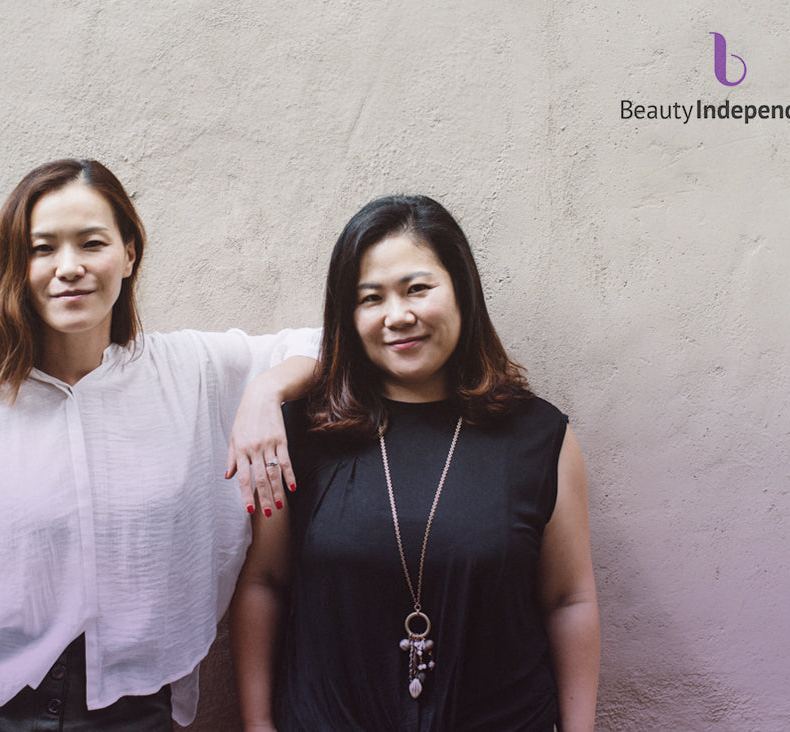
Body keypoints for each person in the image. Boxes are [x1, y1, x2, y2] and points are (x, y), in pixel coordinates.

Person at [0, 158, 318, 731]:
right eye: (43, 248)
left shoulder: (188, 371)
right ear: (19, 264)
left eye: (92, 243)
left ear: (129, 254)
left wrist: (266, 391)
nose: (69, 268)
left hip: (131, 706)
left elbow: (330, 342)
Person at [231, 195, 600, 731]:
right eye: (371, 298)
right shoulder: (303, 436)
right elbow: (265, 583)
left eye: (417, 288)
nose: (398, 316)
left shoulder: (539, 437)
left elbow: (569, 600)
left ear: (462, 290)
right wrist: (258, 726)